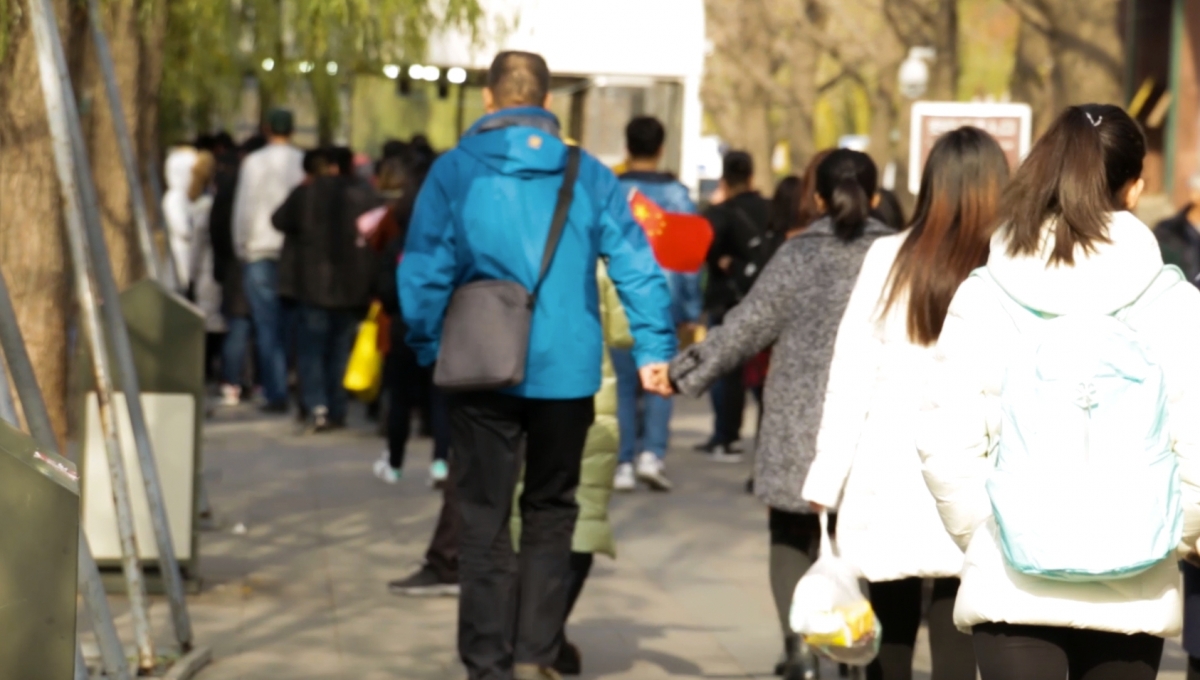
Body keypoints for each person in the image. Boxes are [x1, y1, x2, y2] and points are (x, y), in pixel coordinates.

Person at [398, 51, 675, 680]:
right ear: (546, 104)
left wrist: (424, 346)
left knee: (484, 519)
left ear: (489, 101)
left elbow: (424, 271)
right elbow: (635, 262)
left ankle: (487, 664)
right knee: (553, 510)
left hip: (479, 365)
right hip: (567, 372)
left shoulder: (454, 171)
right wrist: (655, 351)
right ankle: (535, 653)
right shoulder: (589, 173)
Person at [918, 104, 1200, 680]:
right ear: (1136, 188)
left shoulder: (987, 294)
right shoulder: (1174, 303)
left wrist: (992, 531)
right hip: (1136, 581)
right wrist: (1171, 531)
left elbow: (945, 440)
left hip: (1012, 580)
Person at [670, 149, 892, 680]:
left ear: (813, 198)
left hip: (799, 424)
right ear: (877, 196)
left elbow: (745, 326)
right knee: (866, 540)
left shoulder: (797, 256)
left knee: (791, 534)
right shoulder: (897, 253)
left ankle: (800, 652)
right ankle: (862, 651)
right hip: (872, 422)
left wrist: (683, 373)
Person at [803, 127, 1008, 680]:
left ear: (931, 184)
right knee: (959, 624)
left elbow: (850, 374)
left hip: (892, 464)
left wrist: (827, 478)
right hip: (978, 463)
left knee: (888, 626)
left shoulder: (890, 257)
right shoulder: (1013, 263)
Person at [611, 116, 701, 493]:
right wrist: (690, 310)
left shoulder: (612, 192)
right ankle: (652, 454)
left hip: (616, 299)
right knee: (661, 380)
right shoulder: (679, 196)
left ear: (627, 147)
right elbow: (689, 259)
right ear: (661, 148)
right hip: (663, 302)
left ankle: (623, 462)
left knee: (621, 384)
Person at [272, 144, 379, 432]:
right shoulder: (365, 196)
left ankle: (317, 406)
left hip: (312, 284)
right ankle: (338, 407)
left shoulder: (306, 193)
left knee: (311, 351)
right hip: (351, 287)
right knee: (340, 350)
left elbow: (278, 220)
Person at [698, 150, 772, 461]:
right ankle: (766, 440)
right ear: (752, 177)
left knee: (726, 372)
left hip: (727, 301)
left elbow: (703, 247)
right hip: (763, 300)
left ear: (724, 180)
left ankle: (725, 436)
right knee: (762, 376)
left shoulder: (719, 214)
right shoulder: (770, 210)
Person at [232, 108, 305, 413]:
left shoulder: (254, 163)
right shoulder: (302, 161)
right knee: (291, 325)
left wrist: (241, 244)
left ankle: (274, 391)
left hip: (260, 249)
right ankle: (292, 383)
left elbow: (245, 207)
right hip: (293, 252)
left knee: (266, 326)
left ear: (266, 128)